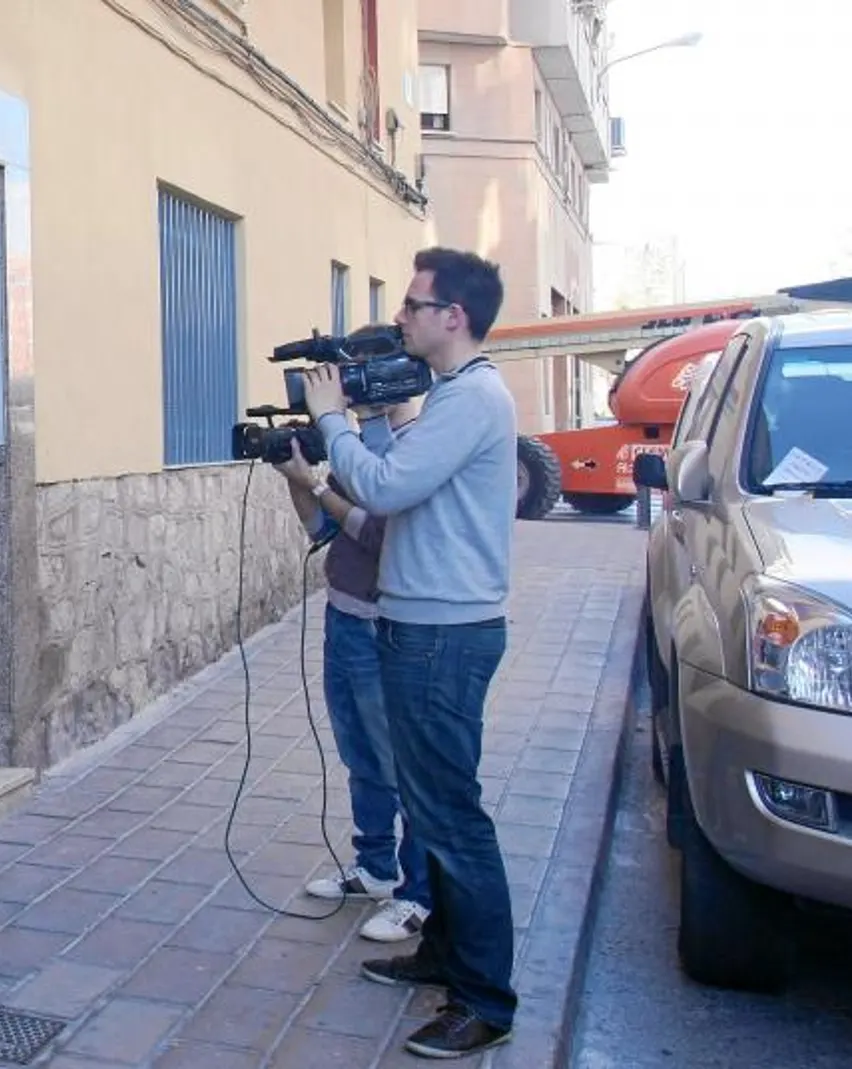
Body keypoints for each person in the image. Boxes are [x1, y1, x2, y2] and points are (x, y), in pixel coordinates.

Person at [295, 247, 519, 1059]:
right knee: (428, 807)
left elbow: (384, 491)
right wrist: (371, 418)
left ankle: (485, 998)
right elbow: (395, 485)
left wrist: (328, 419)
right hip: (420, 624)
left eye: (414, 305)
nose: (401, 318)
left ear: (453, 316)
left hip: (445, 635)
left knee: (454, 818)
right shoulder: (454, 396)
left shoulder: (472, 398)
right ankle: (442, 955)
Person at [275, 400, 434, 944]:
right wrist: (297, 478)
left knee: (402, 762)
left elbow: (380, 535)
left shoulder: (416, 447)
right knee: (361, 753)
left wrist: (320, 487)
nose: (347, 394)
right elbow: (323, 529)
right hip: (342, 615)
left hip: (382, 625)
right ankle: (375, 868)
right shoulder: (355, 447)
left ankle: (418, 895)